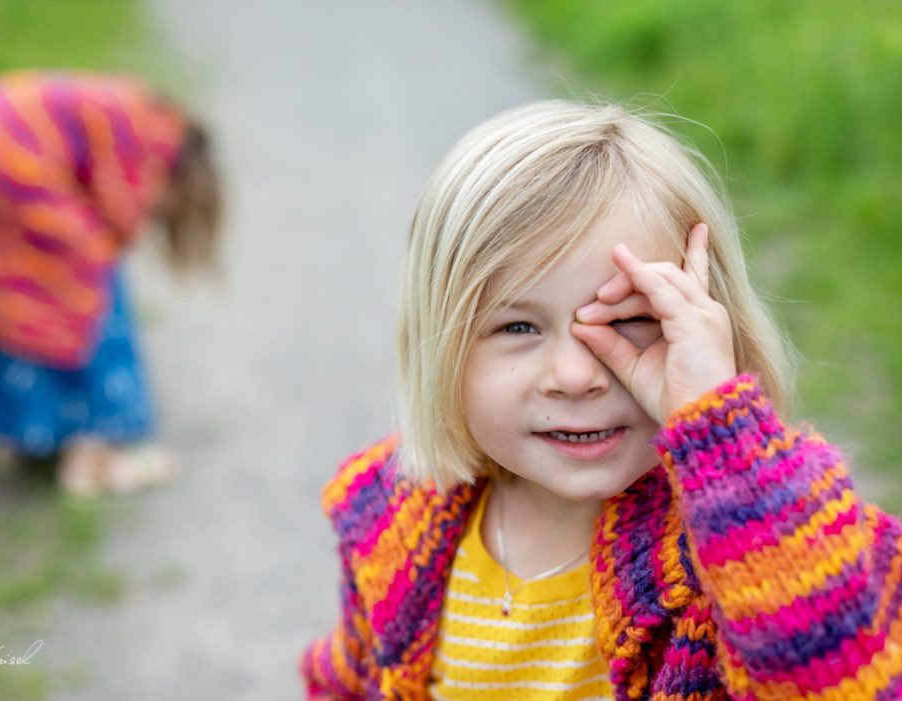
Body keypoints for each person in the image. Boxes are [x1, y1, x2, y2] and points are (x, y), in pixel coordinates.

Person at [301, 100, 902, 700]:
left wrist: (723, 435)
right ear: (441, 347)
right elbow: (348, 680)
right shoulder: (393, 515)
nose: (573, 374)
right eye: (518, 328)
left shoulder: (761, 535)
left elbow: (841, 679)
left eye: (631, 319)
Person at [0, 70, 221, 496]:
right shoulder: (151, 136)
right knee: (79, 279)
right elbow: (116, 216)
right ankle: (94, 441)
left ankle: (18, 432)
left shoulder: (137, 110)